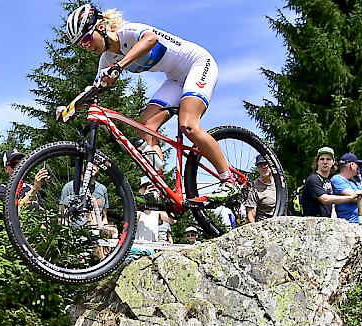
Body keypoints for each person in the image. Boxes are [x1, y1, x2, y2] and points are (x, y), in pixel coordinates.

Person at [67, 4, 239, 202]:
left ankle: (228, 180)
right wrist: (71, 106)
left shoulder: (127, 32)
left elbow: (151, 39)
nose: (87, 47)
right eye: (82, 45)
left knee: (188, 126)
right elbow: (94, 88)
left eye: (87, 39)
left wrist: (119, 67)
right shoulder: (107, 58)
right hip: (175, 79)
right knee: (147, 127)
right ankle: (161, 188)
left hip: (198, 64)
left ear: (101, 27)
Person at [0, 150, 47, 222]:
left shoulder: (30, 189)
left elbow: (43, 215)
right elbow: (13, 213)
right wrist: (34, 189)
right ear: (6, 169)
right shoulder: (1, 190)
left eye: (21, 164)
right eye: (14, 164)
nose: (18, 168)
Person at [301, 147, 361, 217]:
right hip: (312, 222)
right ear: (317, 162)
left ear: (333, 162)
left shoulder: (330, 182)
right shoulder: (313, 179)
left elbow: (332, 206)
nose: (325, 162)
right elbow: (325, 199)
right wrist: (351, 197)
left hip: (327, 223)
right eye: (322, 159)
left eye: (328, 159)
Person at [331, 153, 362, 223]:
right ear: (351, 165)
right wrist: (360, 195)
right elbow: (355, 197)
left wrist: (360, 196)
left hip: (360, 222)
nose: (359, 167)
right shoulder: (337, 179)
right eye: (357, 164)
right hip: (347, 223)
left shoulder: (354, 182)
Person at [135, 177, 176, 242]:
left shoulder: (158, 212)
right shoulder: (137, 208)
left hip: (152, 248)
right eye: (145, 187)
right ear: (140, 190)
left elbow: (173, 221)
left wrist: (167, 205)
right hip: (138, 246)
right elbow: (132, 220)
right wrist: (142, 203)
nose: (149, 190)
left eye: (152, 187)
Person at [245, 155, 276, 223]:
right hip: (265, 226)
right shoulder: (255, 188)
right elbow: (250, 215)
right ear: (258, 168)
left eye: (265, 164)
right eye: (260, 165)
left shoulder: (279, 182)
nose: (263, 167)